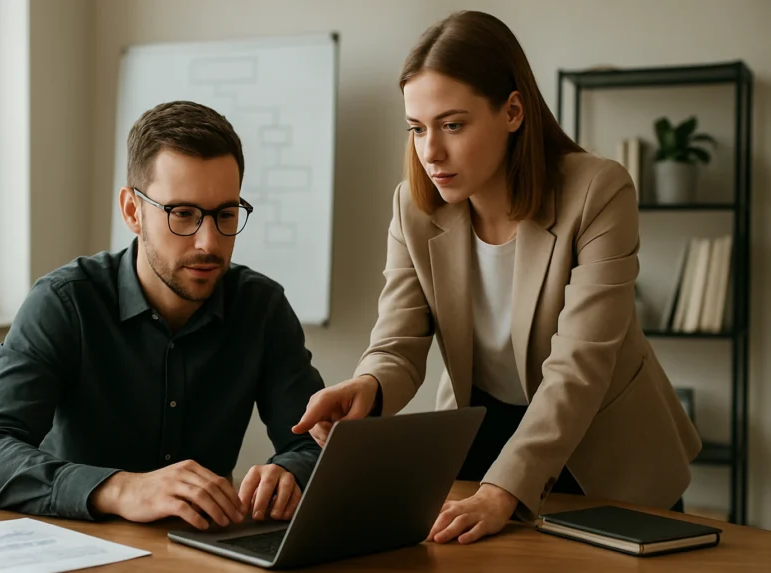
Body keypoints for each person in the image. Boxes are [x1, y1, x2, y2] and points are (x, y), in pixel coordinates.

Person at [293, 10, 701, 545]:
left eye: (453, 124)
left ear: (513, 111)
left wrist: (503, 489)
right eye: (417, 128)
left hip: (605, 449)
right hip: (484, 438)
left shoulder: (598, 191)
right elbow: (399, 341)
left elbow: (579, 366)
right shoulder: (413, 206)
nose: (430, 152)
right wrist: (367, 386)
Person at [0, 101, 324, 531]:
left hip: (198, 555)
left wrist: (291, 473)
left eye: (225, 215)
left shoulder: (261, 307)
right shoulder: (64, 301)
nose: (209, 242)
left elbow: (317, 446)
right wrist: (122, 488)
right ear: (133, 211)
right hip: (78, 548)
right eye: (182, 214)